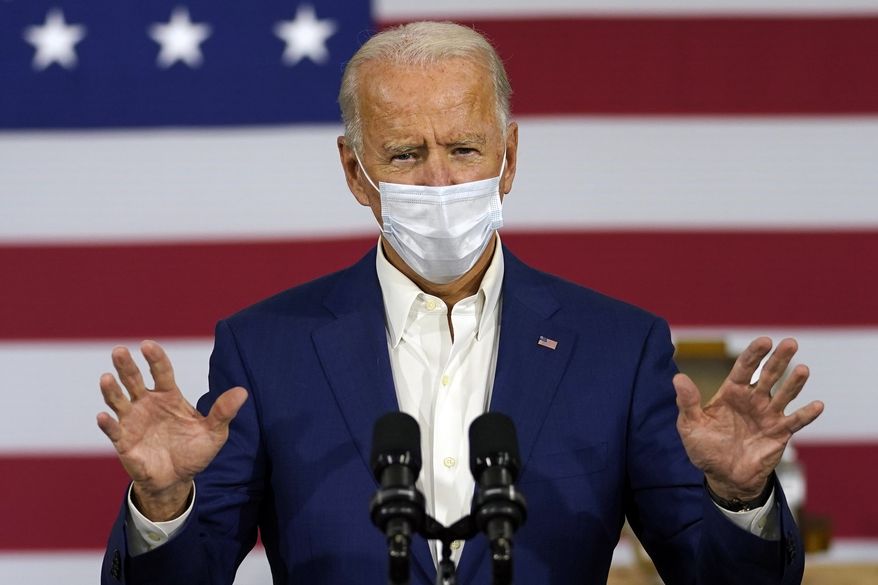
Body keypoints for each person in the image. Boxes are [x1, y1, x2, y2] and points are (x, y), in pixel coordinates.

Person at [97, 21, 824, 585]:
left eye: (466, 150)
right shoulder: (268, 348)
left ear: (509, 157)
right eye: (406, 154)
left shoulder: (618, 348)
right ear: (356, 171)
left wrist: (737, 494)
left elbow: (718, 575)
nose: (440, 180)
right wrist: (163, 505)